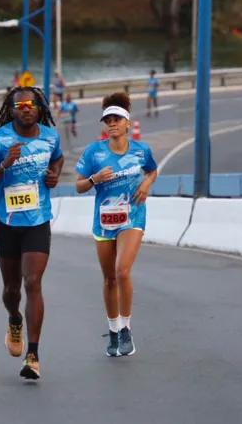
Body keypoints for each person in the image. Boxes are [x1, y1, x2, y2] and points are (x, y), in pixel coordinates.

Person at [0, 86, 63, 380]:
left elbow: (57, 158)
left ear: (39, 108)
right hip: (8, 223)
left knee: (32, 282)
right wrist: (4, 164)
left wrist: (55, 174)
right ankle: (14, 319)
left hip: (38, 220)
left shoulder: (50, 136)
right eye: (20, 105)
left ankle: (33, 354)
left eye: (31, 104)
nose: (26, 108)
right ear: (11, 111)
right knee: (12, 290)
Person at [74, 92, 158, 358]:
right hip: (104, 220)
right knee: (109, 278)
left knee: (122, 271)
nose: (111, 124)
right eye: (107, 120)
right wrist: (95, 179)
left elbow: (152, 170)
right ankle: (112, 331)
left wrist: (146, 183)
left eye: (116, 119)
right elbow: (78, 185)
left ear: (127, 123)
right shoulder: (94, 152)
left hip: (132, 217)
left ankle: (126, 331)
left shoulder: (141, 150)